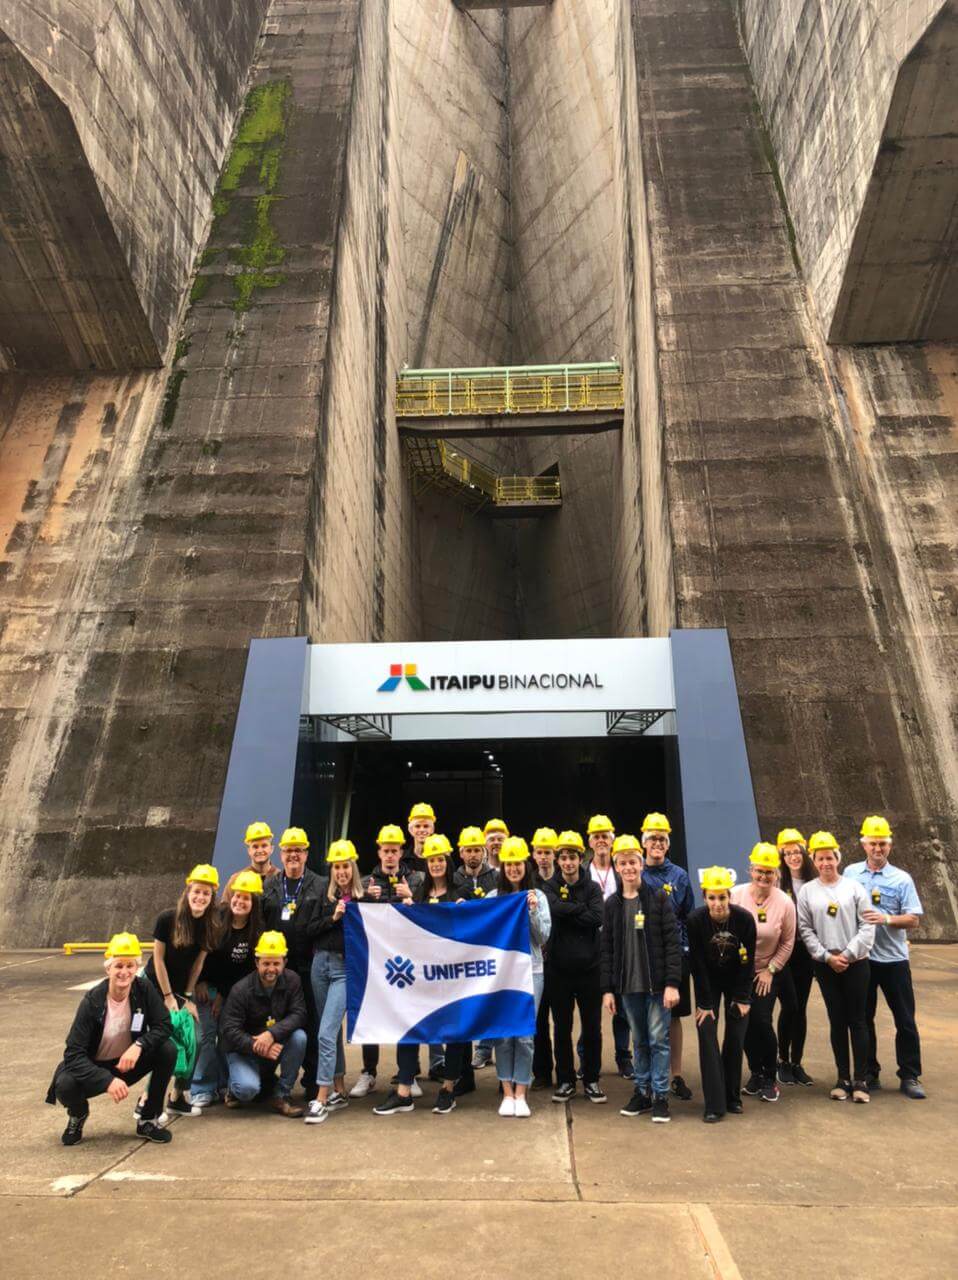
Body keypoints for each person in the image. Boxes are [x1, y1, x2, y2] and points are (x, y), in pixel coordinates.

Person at [374, 834, 473, 1116]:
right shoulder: (417, 895)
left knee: (454, 1031)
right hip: (421, 978)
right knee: (410, 1026)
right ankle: (404, 1090)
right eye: (432, 860)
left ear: (448, 861)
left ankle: (448, 1089)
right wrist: (407, 912)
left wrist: (466, 912)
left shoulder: (459, 892)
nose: (436, 864)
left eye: (441, 859)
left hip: (452, 976)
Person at [47, 933, 175, 1146]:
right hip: (95, 1066)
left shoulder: (144, 990)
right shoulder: (92, 1001)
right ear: (108, 969)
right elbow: (73, 1053)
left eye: (130, 966)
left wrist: (139, 1045)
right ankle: (78, 1115)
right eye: (118, 966)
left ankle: (148, 1119)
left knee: (167, 1050)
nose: (124, 972)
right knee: (65, 1085)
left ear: (137, 968)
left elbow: (164, 1025)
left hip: (128, 1062)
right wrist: (106, 1080)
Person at [844, 815, 926, 1099]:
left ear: (889, 845)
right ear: (863, 844)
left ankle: (910, 1075)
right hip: (863, 961)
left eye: (882, 844)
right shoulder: (850, 874)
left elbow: (913, 920)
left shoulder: (901, 879)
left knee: (904, 1019)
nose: (878, 849)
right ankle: (869, 1072)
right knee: (863, 1019)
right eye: (873, 843)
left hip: (894, 961)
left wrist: (886, 919)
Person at [601, 835, 681, 1122]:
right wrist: (608, 990)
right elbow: (607, 949)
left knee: (659, 1040)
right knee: (639, 1040)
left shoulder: (659, 899)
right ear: (616, 866)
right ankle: (642, 1092)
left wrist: (672, 983)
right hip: (628, 987)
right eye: (622, 863)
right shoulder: (612, 905)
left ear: (641, 864)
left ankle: (660, 1096)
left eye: (633, 862)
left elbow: (672, 943)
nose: (629, 867)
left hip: (657, 987)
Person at [797, 832, 875, 1103]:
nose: (826, 862)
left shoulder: (853, 888)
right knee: (837, 1020)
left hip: (856, 963)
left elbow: (867, 924)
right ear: (814, 861)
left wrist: (848, 954)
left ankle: (861, 1080)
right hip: (825, 964)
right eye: (820, 858)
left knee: (858, 1020)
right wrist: (826, 956)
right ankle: (842, 1078)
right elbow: (805, 928)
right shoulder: (807, 891)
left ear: (837, 858)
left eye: (830, 857)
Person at [349, 826, 425, 1099]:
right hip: (376, 962)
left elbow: (429, 917)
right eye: (386, 850)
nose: (390, 855)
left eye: (395, 850)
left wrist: (411, 899)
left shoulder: (417, 879)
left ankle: (410, 1073)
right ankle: (369, 1072)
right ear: (379, 851)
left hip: (408, 961)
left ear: (401, 852)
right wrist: (367, 900)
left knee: (409, 1015)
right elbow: (354, 917)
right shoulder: (368, 882)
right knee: (372, 1012)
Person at [141, 863, 221, 1117]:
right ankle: (146, 1101)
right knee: (164, 1040)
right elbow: (158, 960)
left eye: (206, 894)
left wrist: (186, 997)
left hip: (179, 991)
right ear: (188, 891)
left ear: (211, 898)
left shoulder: (211, 925)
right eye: (196, 891)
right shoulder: (168, 918)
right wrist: (166, 997)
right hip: (154, 986)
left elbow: (197, 966)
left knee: (195, 1039)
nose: (200, 897)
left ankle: (177, 1096)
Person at [487, 837, 552, 1117]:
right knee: (503, 1034)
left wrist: (534, 910)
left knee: (524, 1035)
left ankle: (522, 1092)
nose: (513, 869)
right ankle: (507, 1092)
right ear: (503, 867)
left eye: (517, 864)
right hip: (500, 975)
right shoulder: (492, 899)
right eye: (508, 864)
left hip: (531, 972)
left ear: (526, 865)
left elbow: (542, 938)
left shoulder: (539, 897)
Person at [688, 867, 756, 1123]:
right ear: (704, 898)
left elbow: (748, 963)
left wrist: (742, 998)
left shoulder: (745, 920)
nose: (717, 904)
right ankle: (714, 1104)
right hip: (709, 983)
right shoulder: (695, 920)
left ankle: (732, 1097)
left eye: (722, 897)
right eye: (712, 898)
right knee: (707, 1037)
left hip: (737, 981)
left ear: (730, 897)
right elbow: (697, 965)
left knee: (735, 1038)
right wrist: (705, 1004)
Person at [191, 869, 265, 1106]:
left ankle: (223, 1084)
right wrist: (199, 981)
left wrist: (224, 995)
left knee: (226, 1036)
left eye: (246, 898)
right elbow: (200, 952)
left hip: (230, 992)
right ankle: (201, 1087)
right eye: (237, 896)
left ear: (253, 904)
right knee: (205, 1035)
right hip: (205, 986)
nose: (240, 902)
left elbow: (244, 973)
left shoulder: (256, 932)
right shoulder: (217, 917)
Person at [543, 830, 606, 1104]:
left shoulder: (592, 888)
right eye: (564, 858)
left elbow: (596, 917)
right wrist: (578, 909)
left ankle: (591, 1079)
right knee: (562, 1027)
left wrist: (568, 909)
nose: (568, 862)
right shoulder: (549, 887)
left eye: (573, 857)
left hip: (590, 969)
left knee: (592, 1027)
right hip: (558, 970)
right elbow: (552, 909)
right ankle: (566, 1079)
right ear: (558, 860)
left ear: (581, 858)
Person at [303, 840, 362, 1125]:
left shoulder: (363, 900)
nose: (341, 872)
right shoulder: (322, 897)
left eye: (346, 867)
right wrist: (333, 917)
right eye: (337, 867)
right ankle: (339, 1089)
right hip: (320, 965)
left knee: (325, 1032)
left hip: (343, 969)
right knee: (330, 1031)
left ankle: (321, 1096)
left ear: (353, 869)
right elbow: (310, 929)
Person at [263, 827, 324, 1100]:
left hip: (308, 967)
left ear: (306, 853)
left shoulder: (320, 884)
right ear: (281, 853)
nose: (293, 855)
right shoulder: (270, 885)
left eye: (298, 850)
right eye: (289, 851)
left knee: (311, 1022)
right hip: (276, 971)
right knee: (271, 1021)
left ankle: (312, 1081)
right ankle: (267, 1079)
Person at [731, 844, 796, 1103]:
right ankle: (755, 1072)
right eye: (759, 871)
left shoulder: (784, 902)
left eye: (769, 872)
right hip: (739, 971)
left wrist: (770, 970)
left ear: (777, 874)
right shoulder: (735, 895)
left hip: (768, 971)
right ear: (751, 870)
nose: (764, 877)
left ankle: (770, 1076)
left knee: (761, 1020)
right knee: (741, 1022)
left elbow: (788, 941)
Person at [639, 812, 696, 1102]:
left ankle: (675, 1075)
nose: (657, 844)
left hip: (675, 954)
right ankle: (648, 1075)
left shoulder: (680, 876)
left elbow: (687, 916)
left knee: (673, 1016)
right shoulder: (636, 873)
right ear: (644, 843)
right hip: (645, 956)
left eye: (662, 838)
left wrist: (685, 950)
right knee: (646, 1016)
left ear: (668, 843)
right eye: (652, 839)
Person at [219, 930, 307, 1116]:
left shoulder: (293, 981)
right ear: (257, 962)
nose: (271, 969)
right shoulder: (241, 989)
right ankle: (233, 1089)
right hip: (243, 1050)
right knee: (247, 1090)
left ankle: (281, 1095)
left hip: (274, 1042)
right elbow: (229, 1029)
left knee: (299, 1037)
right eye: (266, 963)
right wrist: (257, 1045)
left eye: (276, 963)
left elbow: (299, 1014)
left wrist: (271, 1034)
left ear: (284, 963)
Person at [585, 813, 631, 1078]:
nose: (601, 841)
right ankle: (586, 1057)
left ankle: (623, 1056)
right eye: (597, 836)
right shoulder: (582, 872)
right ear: (590, 842)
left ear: (612, 840)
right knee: (591, 1006)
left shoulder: (622, 869)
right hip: (590, 946)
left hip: (619, 946)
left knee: (622, 1006)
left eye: (605, 836)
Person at [453, 826, 500, 1075]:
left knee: (489, 1000)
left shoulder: (495, 877)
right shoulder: (453, 878)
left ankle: (484, 1049)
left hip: (487, 948)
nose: (473, 855)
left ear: (483, 852)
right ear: (461, 852)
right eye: (468, 850)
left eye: (477, 850)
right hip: (462, 950)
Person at [775, 828, 817, 1085]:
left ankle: (796, 1062)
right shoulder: (778, 882)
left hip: (806, 951)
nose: (793, 856)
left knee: (800, 1008)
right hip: (784, 951)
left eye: (796, 851)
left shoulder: (814, 882)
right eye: (787, 852)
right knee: (789, 1005)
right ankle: (781, 1059)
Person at [531, 827, 559, 1089]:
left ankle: (565, 1074)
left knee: (561, 1021)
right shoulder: (530, 885)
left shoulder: (563, 882)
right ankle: (541, 1073)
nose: (543, 857)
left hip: (560, 962)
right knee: (538, 1020)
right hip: (537, 963)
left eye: (547, 852)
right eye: (539, 852)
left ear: (555, 854)